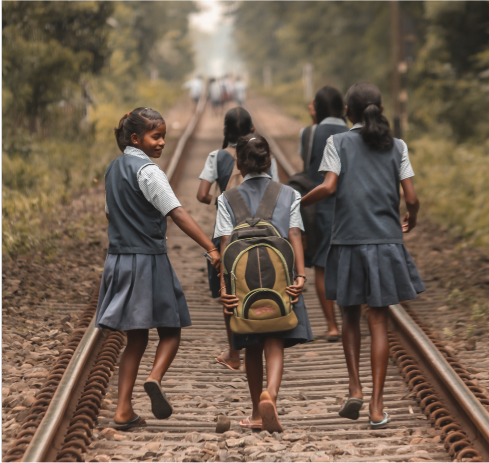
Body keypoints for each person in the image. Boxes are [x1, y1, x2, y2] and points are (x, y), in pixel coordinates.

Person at [301, 82, 425, 429]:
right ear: (380, 109)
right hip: (385, 243)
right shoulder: (396, 146)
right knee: (379, 321)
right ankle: (376, 406)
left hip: (348, 242)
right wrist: (410, 218)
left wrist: (294, 204)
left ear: (348, 113)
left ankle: (354, 387)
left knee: (350, 319)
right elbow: (412, 198)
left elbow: (328, 187)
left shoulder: (337, 142)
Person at [96, 107, 221, 430]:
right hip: (148, 260)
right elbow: (176, 213)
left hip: (119, 259)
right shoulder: (149, 172)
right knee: (171, 329)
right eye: (156, 136)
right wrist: (210, 247)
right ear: (136, 138)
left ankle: (123, 410)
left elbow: (111, 214)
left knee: (135, 339)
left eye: (164, 135)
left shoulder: (112, 169)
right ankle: (154, 377)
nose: (162, 142)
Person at [216, 134, 313, 432]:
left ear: (239, 164)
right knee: (275, 341)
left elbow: (224, 244)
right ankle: (270, 393)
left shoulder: (227, 198)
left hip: (243, 288)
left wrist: (224, 288)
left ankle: (257, 414)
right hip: (281, 283)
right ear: (268, 161)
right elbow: (295, 235)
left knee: (252, 346)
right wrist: (300, 276)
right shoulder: (289, 194)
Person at [197, 107, 279, 372]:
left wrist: (218, 201)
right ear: (253, 129)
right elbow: (274, 189)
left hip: (229, 233)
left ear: (226, 132)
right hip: (263, 228)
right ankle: (267, 339)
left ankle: (235, 352)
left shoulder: (216, 156)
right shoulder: (265, 154)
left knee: (229, 291)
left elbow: (201, 194)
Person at [299, 86, 349, 342]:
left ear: (317, 108)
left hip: (318, 204)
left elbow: (307, 164)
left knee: (321, 264)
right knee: (347, 262)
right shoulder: (351, 132)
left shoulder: (309, 132)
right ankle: (348, 317)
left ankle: (331, 325)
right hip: (347, 204)